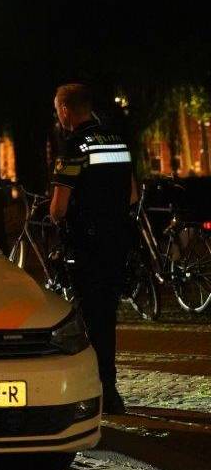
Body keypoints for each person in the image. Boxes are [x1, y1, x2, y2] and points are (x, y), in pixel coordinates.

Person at [49, 83, 137, 415]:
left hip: (86, 244)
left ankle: (98, 391)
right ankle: (111, 387)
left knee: (88, 317)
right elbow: (132, 196)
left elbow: (58, 208)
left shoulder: (73, 147)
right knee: (107, 316)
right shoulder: (117, 142)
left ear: (66, 109)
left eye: (57, 108)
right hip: (117, 242)